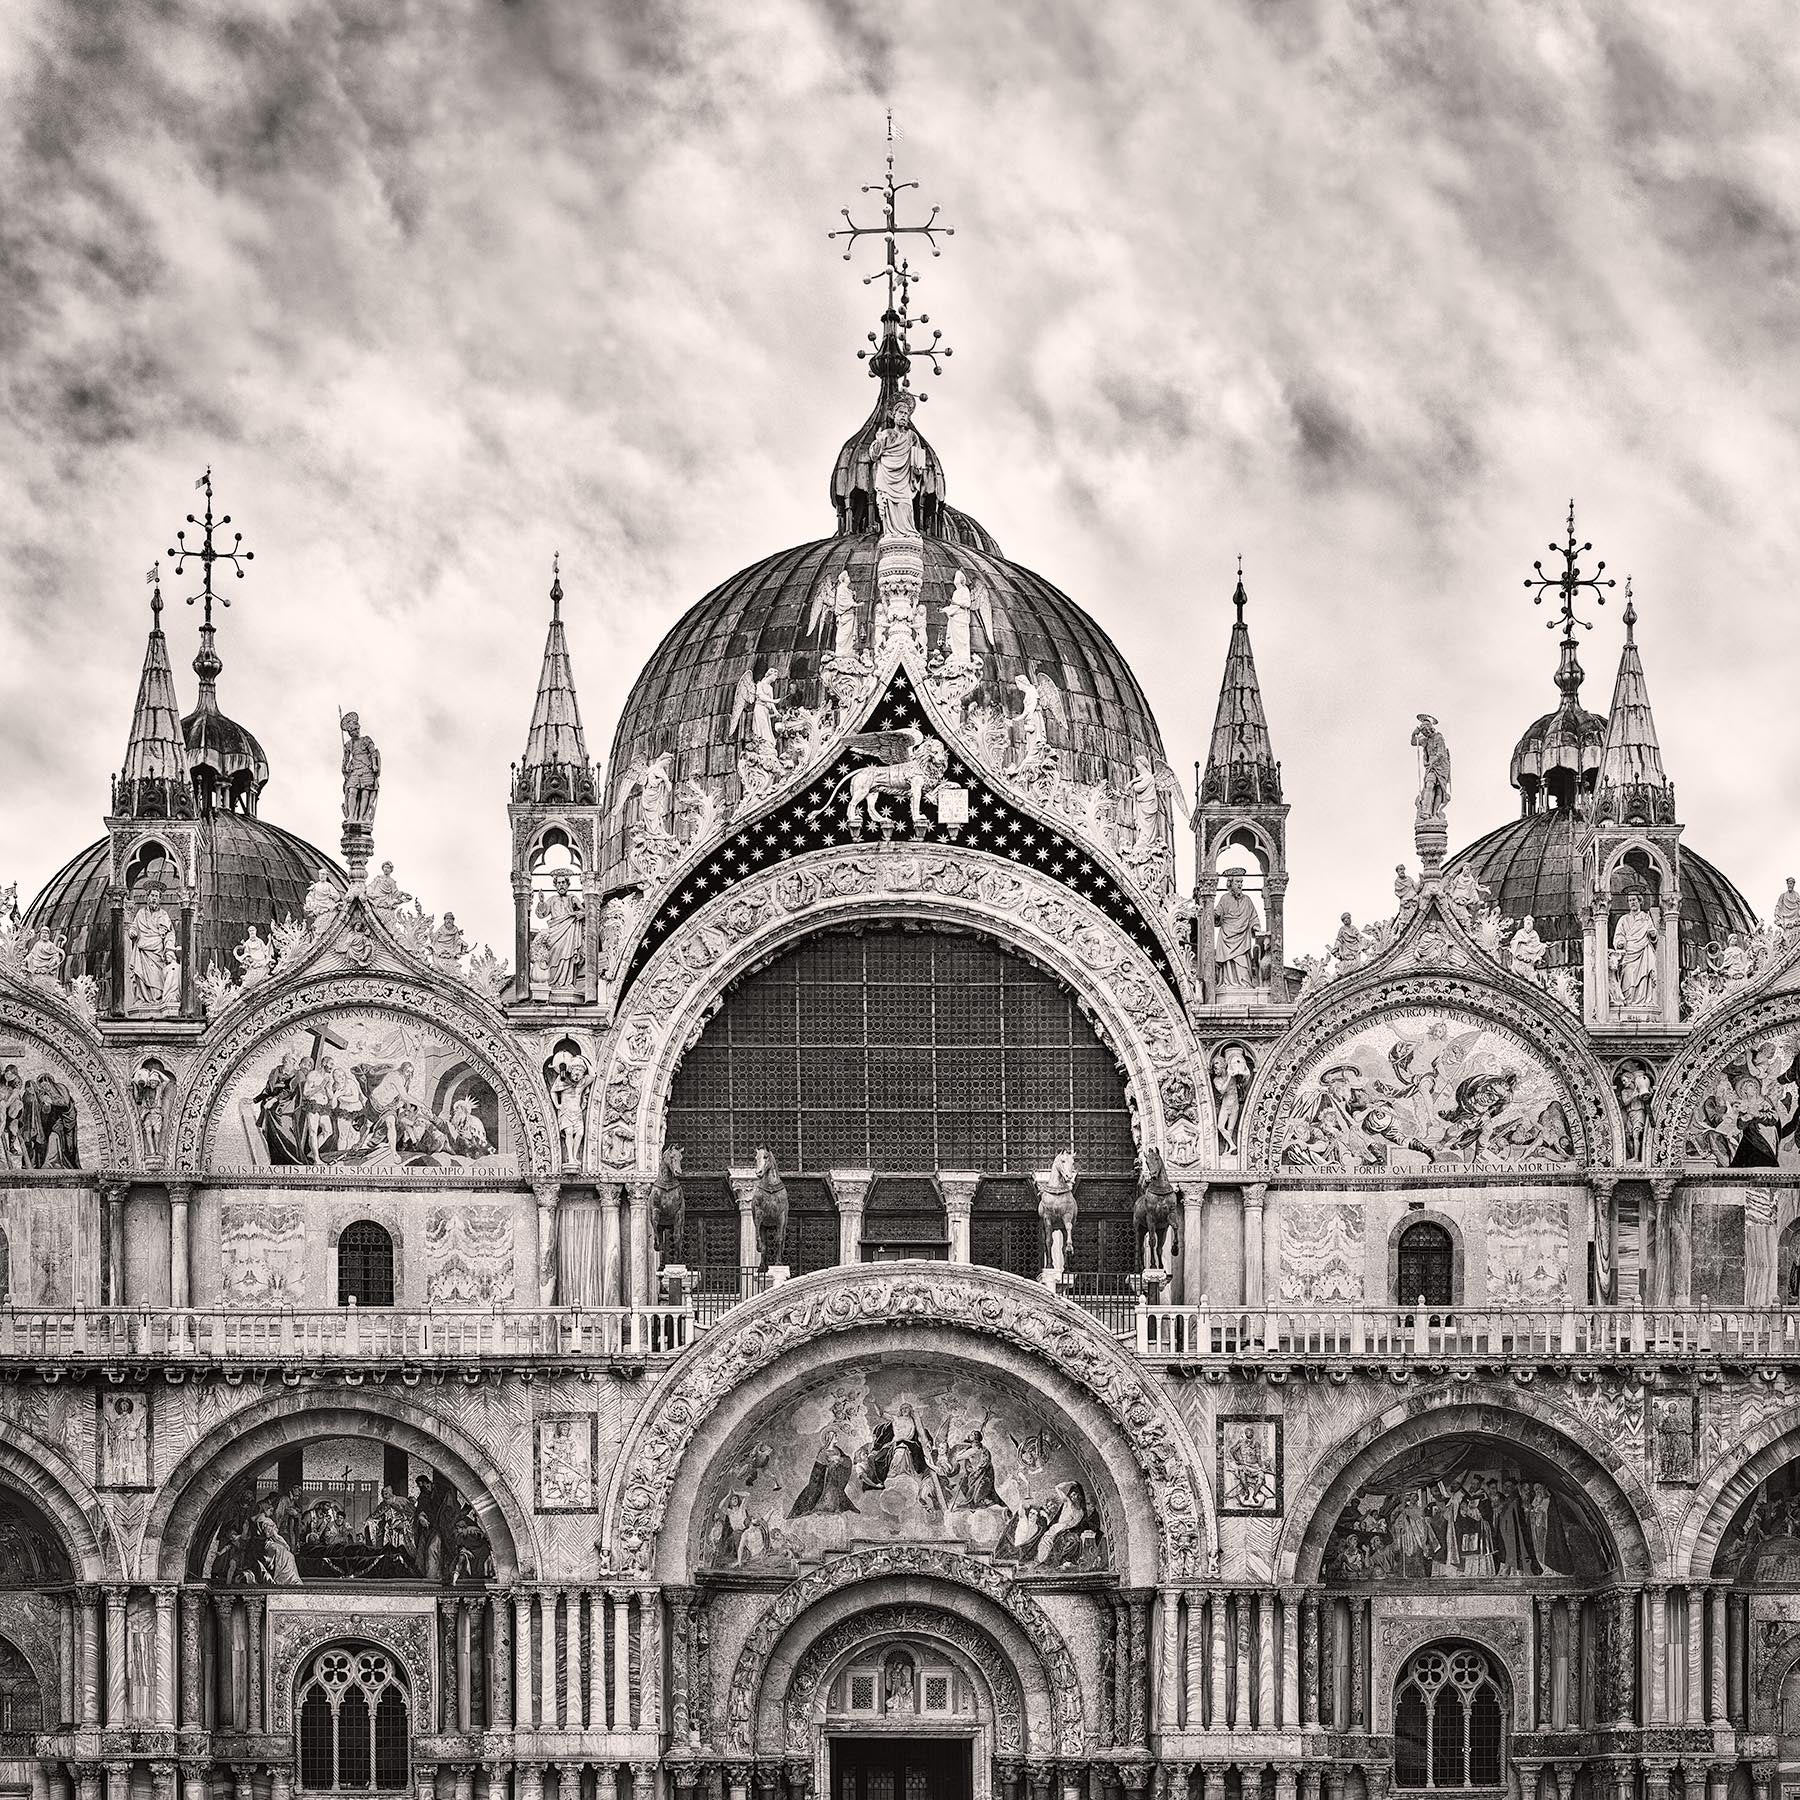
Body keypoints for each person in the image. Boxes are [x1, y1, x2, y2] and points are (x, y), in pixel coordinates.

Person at [869, 391, 925, 537]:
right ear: (893, 415)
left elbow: (917, 458)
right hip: (887, 478)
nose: (904, 416)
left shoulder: (912, 437)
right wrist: (878, 442)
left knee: (905, 505)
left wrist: (917, 471)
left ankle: (907, 532)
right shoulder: (886, 434)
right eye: (901, 412)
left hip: (904, 480)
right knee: (889, 507)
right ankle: (891, 533)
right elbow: (874, 455)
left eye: (906, 413)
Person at [532, 874, 585, 992]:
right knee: (554, 956)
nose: (561, 885)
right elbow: (542, 914)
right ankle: (553, 982)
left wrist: (580, 914)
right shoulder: (552, 900)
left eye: (563, 883)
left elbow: (584, 912)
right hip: (555, 932)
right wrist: (541, 902)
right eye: (559, 883)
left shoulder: (572, 898)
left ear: (567, 885)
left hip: (569, 931)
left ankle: (567, 982)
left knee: (568, 956)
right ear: (555, 885)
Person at [125, 887, 175, 1010]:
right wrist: (132, 931)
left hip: (157, 950)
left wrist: (169, 948)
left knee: (157, 978)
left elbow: (169, 933)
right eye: (152, 895)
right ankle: (142, 999)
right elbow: (134, 926)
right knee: (140, 975)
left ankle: (157, 999)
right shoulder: (141, 913)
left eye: (157, 896)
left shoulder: (163, 915)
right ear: (147, 897)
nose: (154, 898)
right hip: (142, 950)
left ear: (160, 899)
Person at [1609, 893, 1660, 1009]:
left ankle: (1642, 1001)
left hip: (1643, 952)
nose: (1632, 902)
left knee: (1643, 978)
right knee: (1627, 978)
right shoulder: (1624, 919)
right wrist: (1620, 942)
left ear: (1639, 901)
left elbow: (1653, 937)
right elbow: (1618, 935)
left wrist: (1653, 935)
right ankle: (1628, 1002)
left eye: (1634, 900)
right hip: (1628, 953)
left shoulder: (1646, 918)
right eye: (1630, 900)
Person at [1214, 873, 1262, 988]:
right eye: (1237, 882)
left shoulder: (1247, 900)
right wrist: (1213, 914)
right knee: (1228, 963)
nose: (1240, 885)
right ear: (1230, 883)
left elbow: (1253, 916)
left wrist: (1255, 926)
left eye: (1241, 882)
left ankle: (1244, 983)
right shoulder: (1225, 898)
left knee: (1243, 962)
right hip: (1227, 935)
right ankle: (1228, 982)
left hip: (1242, 938)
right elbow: (1217, 914)